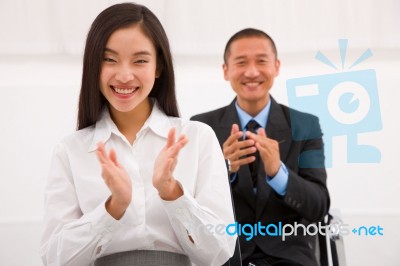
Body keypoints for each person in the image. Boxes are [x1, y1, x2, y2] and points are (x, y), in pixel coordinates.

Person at [40, 3, 236, 266]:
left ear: (158, 67)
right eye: (109, 59)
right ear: (93, 66)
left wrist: (172, 192)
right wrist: (113, 208)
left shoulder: (197, 138)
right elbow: (55, 259)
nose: (124, 75)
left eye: (140, 60)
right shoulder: (70, 150)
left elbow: (220, 250)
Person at [191, 28, 330, 266]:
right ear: (226, 71)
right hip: (226, 255)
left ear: (276, 67)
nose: (252, 71)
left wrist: (279, 174)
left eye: (261, 61)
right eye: (241, 62)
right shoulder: (202, 127)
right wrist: (224, 170)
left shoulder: (305, 126)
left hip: (288, 257)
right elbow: (191, 206)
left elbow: (318, 206)